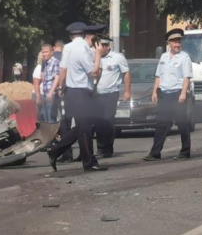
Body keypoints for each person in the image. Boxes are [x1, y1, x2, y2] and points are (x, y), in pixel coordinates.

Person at [48, 22, 106, 172]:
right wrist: (98, 55)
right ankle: (89, 163)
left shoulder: (68, 47)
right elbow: (93, 72)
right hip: (81, 92)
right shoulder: (83, 49)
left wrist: (61, 88)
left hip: (71, 92)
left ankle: (55, 151)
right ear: (90, 36)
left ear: (71, 35)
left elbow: (63, 70)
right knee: (85, 129)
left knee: (80, 128)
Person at [144, 28, 194, 161]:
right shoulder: (164, 56)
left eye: (179, 42)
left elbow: (186, 77)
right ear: (169, 43)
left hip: (178, 94)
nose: (177, 45)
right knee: (161, 124)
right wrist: (155, 91)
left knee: (182, 124)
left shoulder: (184, 57)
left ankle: (185, 151)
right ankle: (155, 153)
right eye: (174, 42)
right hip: (164, 94)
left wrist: (183, 93)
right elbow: (158, 75)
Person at [93, 36, 131, 158]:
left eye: (104, 46)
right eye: (100, 45)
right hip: (97, 94)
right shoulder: (94, 57)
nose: (102, 48)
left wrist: (127, 91)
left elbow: (126, 74)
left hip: (111, 93)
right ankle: (100, 148)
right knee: (98, 122)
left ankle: (108, 148)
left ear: (108, 46)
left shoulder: (118, 58)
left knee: (108, 121)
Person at [32, 43, 60, 123]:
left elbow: (57, 78)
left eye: (46, 52)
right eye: (43, 52)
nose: (44, 54)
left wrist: (51, 92)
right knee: (45, 116)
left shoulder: (55, 62)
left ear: (51, 52)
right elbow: (43, 77)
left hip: (52, 93)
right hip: (45, 92)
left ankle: (52, 133)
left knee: (51, 117)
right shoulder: (45, 63)